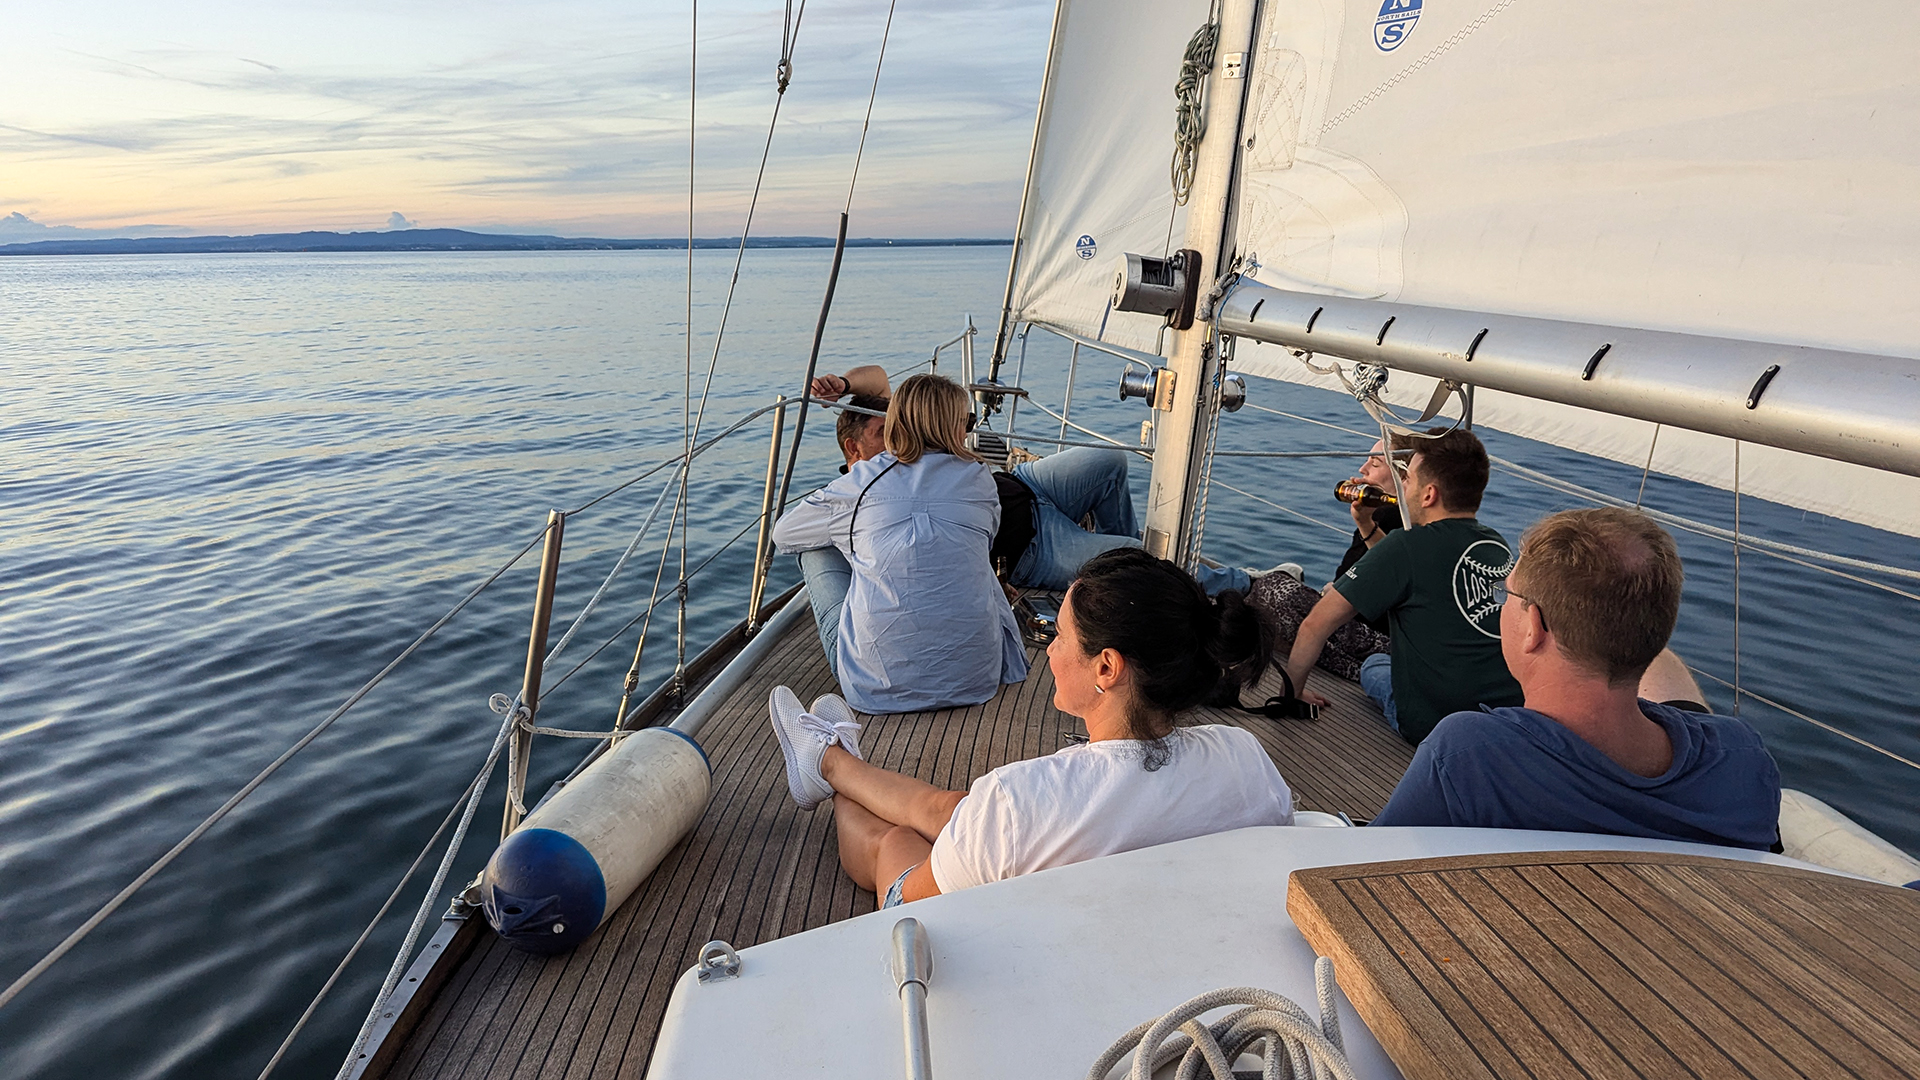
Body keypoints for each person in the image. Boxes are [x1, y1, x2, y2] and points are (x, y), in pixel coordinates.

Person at [766, 548, 1297, 906]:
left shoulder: (1019, 800)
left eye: (1061, 635)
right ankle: (835, 762)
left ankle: (828, 765)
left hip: (997, 941)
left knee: (896, 839)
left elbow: (920, 910)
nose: (1050, 648)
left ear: (1106, 668)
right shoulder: (1245, 758)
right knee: (955, 812)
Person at [1372, 508, 1782, 851]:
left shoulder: (1470, 758)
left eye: (1507, 594)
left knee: (1376, 668)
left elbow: (1354, 874)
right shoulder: (1741, 759)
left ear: (1533, 627)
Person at [815, 366, 1267, 595]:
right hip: (1031, 548)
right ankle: (1243, 582)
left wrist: (840, 382)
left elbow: (874, 377)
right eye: (880, 433)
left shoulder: (904, 433)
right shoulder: (868, 492)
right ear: (854, 449)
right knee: (1139, 556)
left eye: (890, 421)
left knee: (1109, 461)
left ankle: (1122, 569)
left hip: (1027, 485)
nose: (894, 431)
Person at [772, 373, 1027, 713]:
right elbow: (986, 535)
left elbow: (784, 534)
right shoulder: (979, 476)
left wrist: (854, 537)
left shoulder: (862, 480)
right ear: (951, 426)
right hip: (976, 679)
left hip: (876, 689)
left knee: (816, 547)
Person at [1282, 427, 1523, 743]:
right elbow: (1406, 568)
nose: (1402, 486)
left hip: (1438, 723)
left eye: (1407, 478)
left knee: (1375, 666)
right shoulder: (1496, 544)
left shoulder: (1407, 545)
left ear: (1429, 494)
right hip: (1505, 714)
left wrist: (1291, 695)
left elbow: (1315, 625)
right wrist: (1366, 523)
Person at [1334, 437, 1406, 633]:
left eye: (1375, 463)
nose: (1362, 469)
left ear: (1404, 477)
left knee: (1272, 589)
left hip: (1366, 631)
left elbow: (1346, 588)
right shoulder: (1412, 515)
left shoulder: (1388, 517)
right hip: (1382, 629)